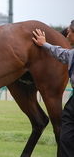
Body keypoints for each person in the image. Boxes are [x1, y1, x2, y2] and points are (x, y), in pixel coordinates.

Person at [32, 20, 74, 157]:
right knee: (65, 134)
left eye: (69, 33)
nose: (67, 36)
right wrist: (44, 44)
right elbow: (61, 53)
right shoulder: (71, 54)